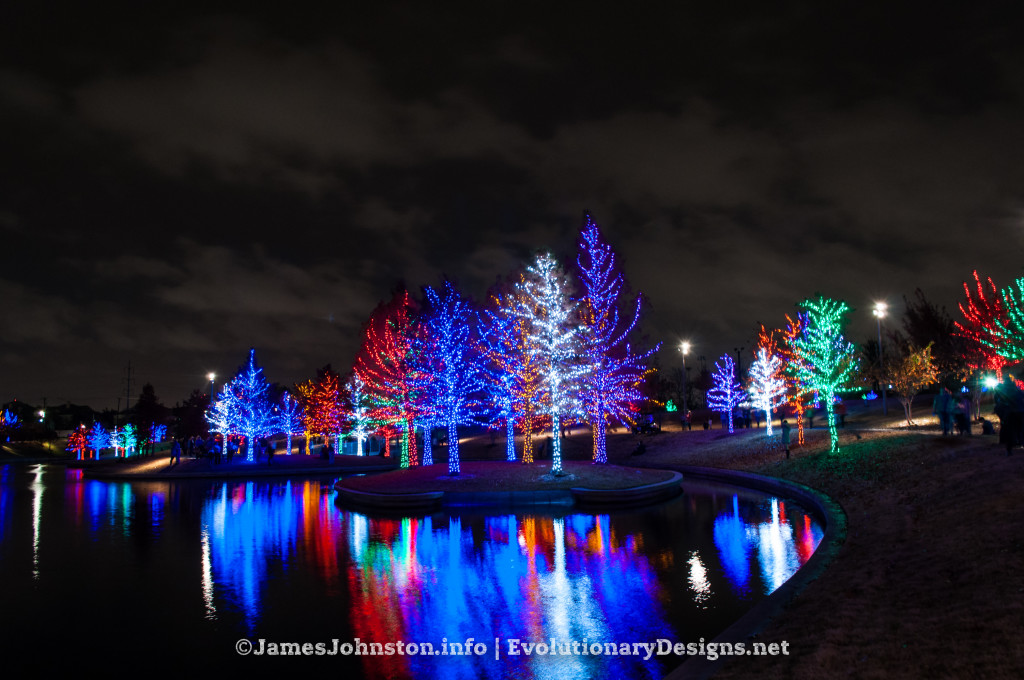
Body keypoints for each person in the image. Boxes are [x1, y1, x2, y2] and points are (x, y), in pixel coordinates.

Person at [993, 375, 1024, 455]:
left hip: (1010, 413)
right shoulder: (1017, 390)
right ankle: (1020, 442)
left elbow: (1000, 401)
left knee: (1010, 431)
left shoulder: (1004, 391)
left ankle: (1009, 449)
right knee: (1020, 429)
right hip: (1019, 412)